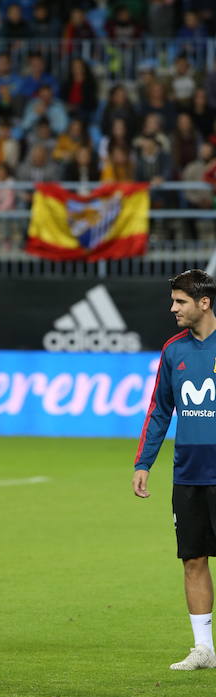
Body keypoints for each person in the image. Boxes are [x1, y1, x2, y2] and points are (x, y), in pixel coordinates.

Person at [133, 270, 216, 671]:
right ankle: (204, 649)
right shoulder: (172, 352)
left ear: (204, 303)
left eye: (180, 301)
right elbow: (160, 409)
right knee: (193, 558)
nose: (173, 308)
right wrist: (144, 462)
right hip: (189, 472)